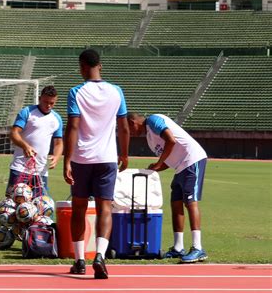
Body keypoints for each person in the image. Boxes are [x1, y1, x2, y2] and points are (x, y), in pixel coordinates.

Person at [63, 49, 129, 279]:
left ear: (82, 67)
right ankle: (100, 255)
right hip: (108, 157)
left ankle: (80, 260)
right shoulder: (116, 91)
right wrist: (125, 154)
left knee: (79, 209)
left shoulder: (76, 92)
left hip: (82, 158)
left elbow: (72, 127)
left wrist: (67, 160)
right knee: (105, 208)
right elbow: (124, 126)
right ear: (100, 65)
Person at [127, 112, 208, 263]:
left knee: (190, 202)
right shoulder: (149, 137)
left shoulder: (153, 120)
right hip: (180, 167)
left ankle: (198, 248)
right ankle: (178, 247)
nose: (130, 134)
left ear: (132, 122)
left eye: (129, 130)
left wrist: (158, 163)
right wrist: (157, 167)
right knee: (175, 202)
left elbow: (171, 140)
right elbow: (168, 157)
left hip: (192, 159)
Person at [7, 85, 63, 196]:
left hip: (41, 170)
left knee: (42, 207)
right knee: (13, 204)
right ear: (39, 98)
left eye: (52, 103)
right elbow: (14, 133)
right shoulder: (27, 112)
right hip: (20, 167)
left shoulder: (56, 119)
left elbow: (58, 142)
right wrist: (25, 146)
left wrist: (56, 157)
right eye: (45, 101)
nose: (48, 105)